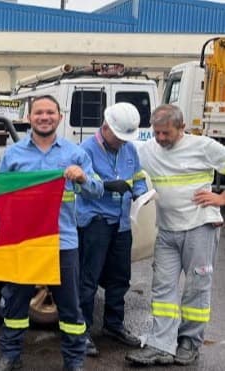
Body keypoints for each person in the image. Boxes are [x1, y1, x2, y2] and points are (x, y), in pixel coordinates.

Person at [0, 95, 103, 371]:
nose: (44, 117)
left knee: (69, 307)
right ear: (29, 118)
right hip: (24, 242)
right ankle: (10, 356)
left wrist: (83, 178)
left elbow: (98, 190)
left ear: (59, 116)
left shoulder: (75, 154)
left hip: (62, 241)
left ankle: (74, 360)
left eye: (49, 112)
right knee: (16, 303)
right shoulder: (14, 154)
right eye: (38, 112)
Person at [126, 104, 225, 366]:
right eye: (156, 132)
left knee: (196, 288)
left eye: (166, 133)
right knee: (162, 289)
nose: (160, 138)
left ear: (181, 128)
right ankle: (161, 344)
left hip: (199, 227)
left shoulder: (204, 146)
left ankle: (189, 343)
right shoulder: (149, 150)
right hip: (167, 230)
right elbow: (124, 155)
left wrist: (220, 198)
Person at [76, 102, 147, 357]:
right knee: (88, 279)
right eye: (118, 136)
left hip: (122, 222)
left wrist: (141, 195)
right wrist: (106, 186)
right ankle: (81, 331)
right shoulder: (85, 150)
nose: (121, 142)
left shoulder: (129, 149)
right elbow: (82, 186)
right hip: (95, 220)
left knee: (120, 277)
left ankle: (113, 325)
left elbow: (137, 176)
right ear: (105, 127)